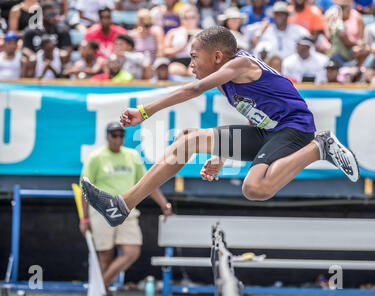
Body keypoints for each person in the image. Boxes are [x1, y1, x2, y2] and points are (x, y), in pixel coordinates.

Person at [81, 26, 360, 229]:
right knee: (187, 141)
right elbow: (256, 116)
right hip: (268, 130)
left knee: (254, 188)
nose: (190, 65)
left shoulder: (240, 65)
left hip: (295, 128)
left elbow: (196, 89)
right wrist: (221, 155)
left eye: (193, 57)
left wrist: (145, 111)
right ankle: (122, 205)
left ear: (216, 56)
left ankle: (320, 148)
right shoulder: (230, 80)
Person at [80, 122, 174, 296]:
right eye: (114, 135)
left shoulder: (132, 156)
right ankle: (103, 293)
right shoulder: (96, 157)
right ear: (107, 137)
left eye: (121, 135)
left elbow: (149, 183)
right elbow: (85, 190)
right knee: (105, 254)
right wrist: (84, 219)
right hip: (101, 211)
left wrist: (164, 204)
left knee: (132, 251)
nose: (117, 139)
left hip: (126, 209)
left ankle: (100, 287)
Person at [164, 4, 201, 76]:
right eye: (186, 18)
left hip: (196, 61)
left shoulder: (202, 33)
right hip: (177, 61)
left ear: (197, 18)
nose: (189, 20)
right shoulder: (173, 32)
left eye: (192, 17)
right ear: (181, 18)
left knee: (195, 72)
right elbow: (165, 51)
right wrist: (179, 49)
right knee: (174, 70)